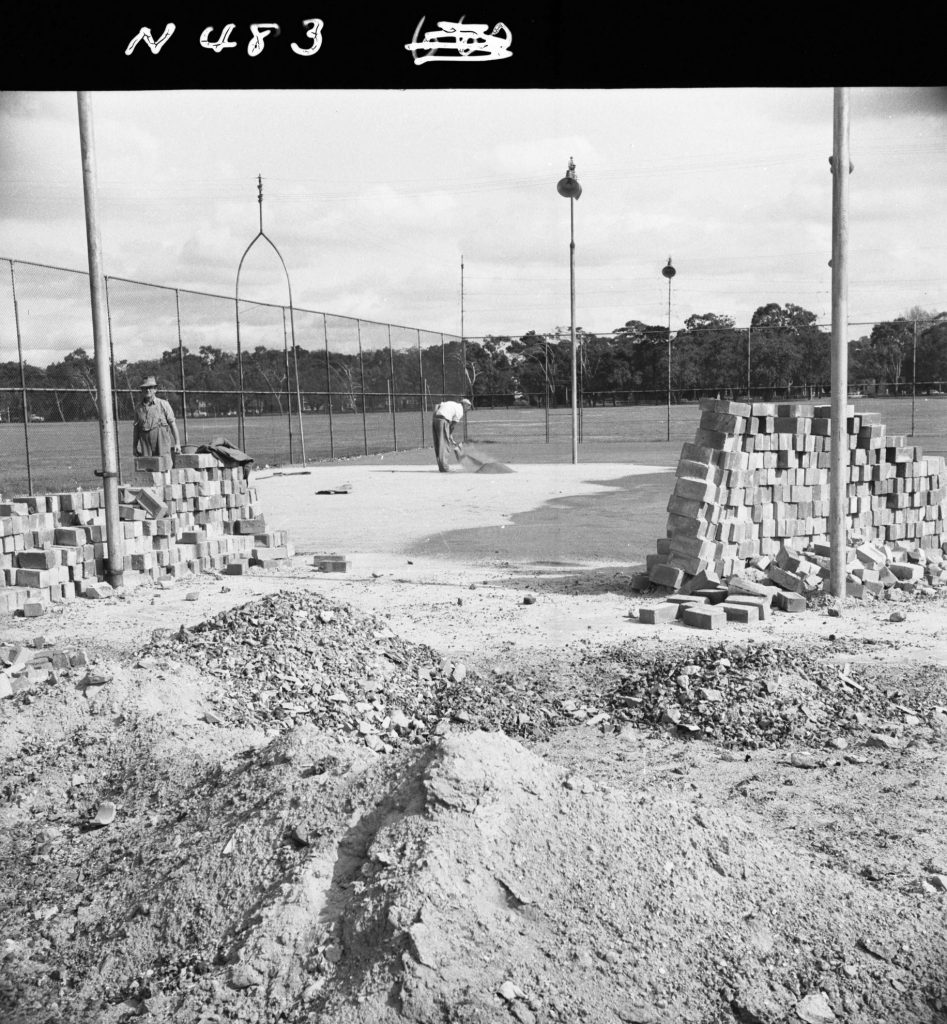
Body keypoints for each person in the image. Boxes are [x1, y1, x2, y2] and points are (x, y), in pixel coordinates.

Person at [132, 376, 182, 457]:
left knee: (164, 466)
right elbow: (136, 430)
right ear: (142, 390)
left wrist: (177, 443)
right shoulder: (138, 408)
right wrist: (134, 447)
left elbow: (173, 425)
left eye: (150, 387)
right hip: (146, 446)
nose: (148, 390)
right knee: (148, 467)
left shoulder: (163, 404)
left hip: (162, 444)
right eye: (145, 388)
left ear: (155, 389)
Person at [431, 397, 472, 472]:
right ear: (465, 405)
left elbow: (437, 406)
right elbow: (452, 425)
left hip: (435, 419)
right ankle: (444, 468)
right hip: (443, 420)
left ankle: (441, 466)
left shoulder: (452, 403)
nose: (467, 410)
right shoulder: (460, 411)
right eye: (468, 407)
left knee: (438, 444)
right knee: (445, 444)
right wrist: (449, 436)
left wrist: (449, 435)